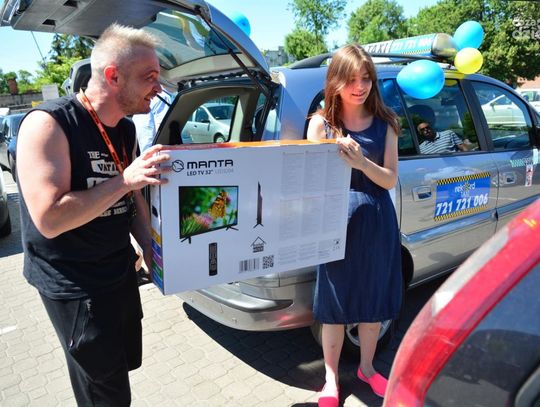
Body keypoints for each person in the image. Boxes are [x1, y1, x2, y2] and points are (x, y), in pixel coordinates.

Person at [16, 23, 170, 406]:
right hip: (75, 285)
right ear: (113, 76)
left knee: (122, 368)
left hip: (118, 272)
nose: (159, 86)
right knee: (105, 392)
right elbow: (49, 218)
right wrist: (124, 180)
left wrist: (154, 251)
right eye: (149, 76)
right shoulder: (49, 124)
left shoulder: (126, 130)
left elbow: (132, 200)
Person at [307, 44, 402, 405]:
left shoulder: (386, 123)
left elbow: (390, 179)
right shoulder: (321, 125)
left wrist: (362, 163)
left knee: (372, 302)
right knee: (334, 307)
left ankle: (367, 368)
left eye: (366, 78)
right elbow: (309, 181)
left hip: (376, 226)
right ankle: (330, 379)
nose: (360, 86)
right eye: (351, 79)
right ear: (336, 81)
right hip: (334, 227)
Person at [132, 88, 175, 153]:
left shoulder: (166, 96)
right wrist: (149, 154)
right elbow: (146, 130)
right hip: (153, 152)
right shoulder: (162, 97)